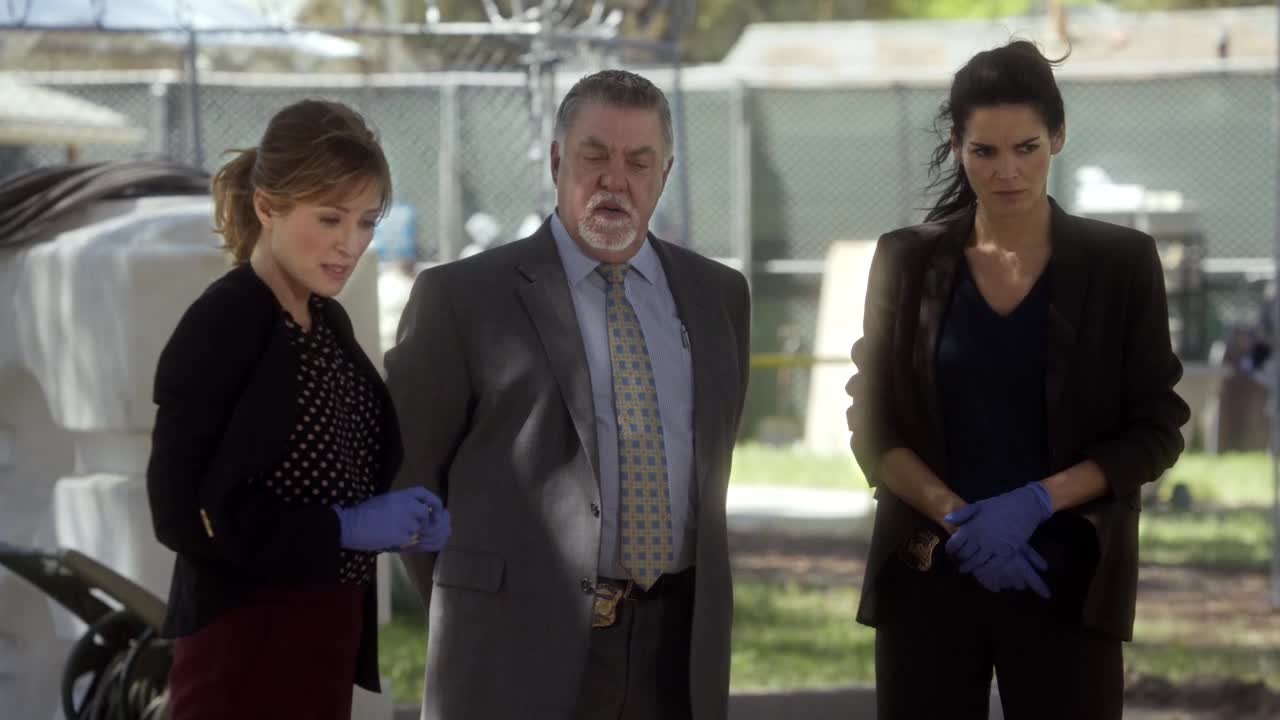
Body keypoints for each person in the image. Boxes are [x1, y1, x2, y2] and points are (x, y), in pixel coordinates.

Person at [385, 69, 751, 720]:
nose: (615, 180)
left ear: (665, 174)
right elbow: (408, 475)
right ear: (558, 162)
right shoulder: (464, 299)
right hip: (514, 651)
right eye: (594, 156)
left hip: (675, 656)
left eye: (638, 162)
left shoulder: (718, 296)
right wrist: (476, 598)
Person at [845, 41, 1190, 720]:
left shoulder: (1121, 264)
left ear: (1058, 137)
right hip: (930, 577)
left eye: (1026, 148)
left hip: (1066, 582)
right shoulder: (907, 261)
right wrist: (959, 519)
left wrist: (1035, 501)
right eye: (985, 151)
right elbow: (872, 422)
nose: (1007, 171)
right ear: (957, 146)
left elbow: (1156, 428)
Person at [145, 99, 451, 720]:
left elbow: (329, 473)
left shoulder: (326, 322)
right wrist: (344, 526)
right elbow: (179, 515)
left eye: (367, 222)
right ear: (267, 207)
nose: (351, 243)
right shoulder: (224, 321)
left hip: (325, 642)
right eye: (330, 218)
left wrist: (403, 516)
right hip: (244, 646)